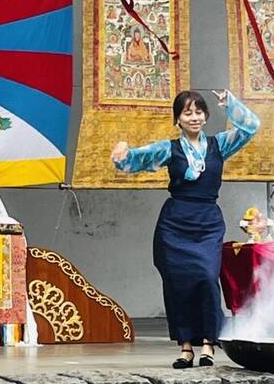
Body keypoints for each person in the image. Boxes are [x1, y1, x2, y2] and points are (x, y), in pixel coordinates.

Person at [111, 89, 260, 368]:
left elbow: (251, 126)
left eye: (199, 112)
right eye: (187, 113)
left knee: (206, 277)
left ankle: (208, 343)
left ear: (205, 116)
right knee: (179, 284)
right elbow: (139, 157)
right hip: (175, 223)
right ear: (178, 119)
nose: (194, 117)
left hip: (207, 222)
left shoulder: (220, 145)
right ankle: (186, 346)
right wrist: (122, 154)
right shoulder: (171, 148)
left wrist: (230, 105)